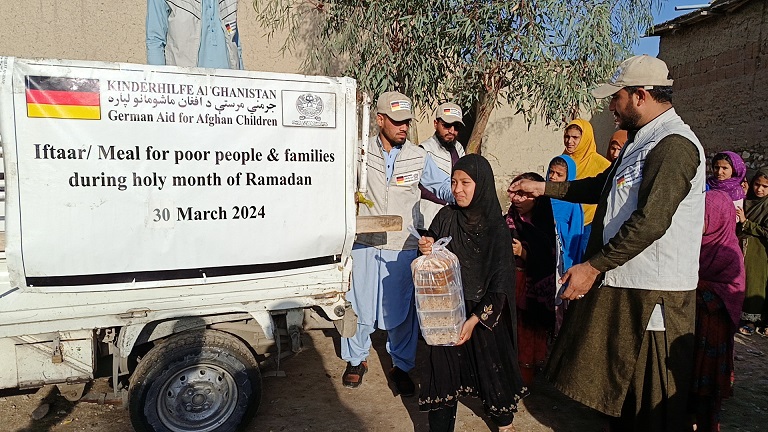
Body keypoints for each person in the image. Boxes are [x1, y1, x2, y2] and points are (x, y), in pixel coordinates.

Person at [510, 54, 706, 431]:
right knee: (622, 389)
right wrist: (544, 188)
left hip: (655, 293)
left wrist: (592, 266)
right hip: (628, 282)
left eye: (616, 97)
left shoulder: (674, 145)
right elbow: (601, 188)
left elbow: (651, 222)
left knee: (653, 400)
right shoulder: (641, 141)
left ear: (640, 96)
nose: (610, 106)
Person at [342, 91, 453, 395]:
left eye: (407, 122)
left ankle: (401, 365)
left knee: (402, 310)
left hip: (403, 245)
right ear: (380, 120)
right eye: (397, 122)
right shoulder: (359, 153)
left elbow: (441, 186)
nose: (404, 127)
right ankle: (356, 359)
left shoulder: (419, 156)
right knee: (358, 303)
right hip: (364, 242)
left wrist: (463, 190)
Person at [417, 154, 526, 432]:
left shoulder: (495, 227)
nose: (457, 189)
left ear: (483, 184)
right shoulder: (446, 216)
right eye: (453, 182)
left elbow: (501, 284)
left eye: (466, 182)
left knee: (493, 371)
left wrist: (475, 320)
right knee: (442, 372)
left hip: (485, 313)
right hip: (448, 311)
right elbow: (431, 241)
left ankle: (503, 422)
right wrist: (426, 245)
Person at [690, 190, 745, 432]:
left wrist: (697, 286)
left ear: (719, 217)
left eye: (704, 216)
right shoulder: (692, 246)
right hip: (691, 323)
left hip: (713, 331)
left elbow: (734, 290)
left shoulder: (728, 252)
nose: (697, 221)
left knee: (707, 386)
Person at [506, 173, 556, 387]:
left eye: (523, 195)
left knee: (528, 331)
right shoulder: (507, 221)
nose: (516, 200)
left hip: (532, 290)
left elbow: (549, 256)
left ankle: (525, 378)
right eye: (514, 193)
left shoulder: (544, 224)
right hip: (511, 285)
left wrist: (524, 253)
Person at [146, 0, 243, 69]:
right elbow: (155, 40)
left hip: (228, 87)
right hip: (184, 85)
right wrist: (159, 83)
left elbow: (235, 42)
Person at [561, 118, 611, 252]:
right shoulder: (562, 161)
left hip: (588, 225)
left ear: (585, 139)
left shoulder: (602, 164)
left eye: (575, 137)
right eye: (567, 136)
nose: (569, 142)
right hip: (564, 223)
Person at [547, 156, 584, 333]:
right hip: (544, 253)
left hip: (562, 258)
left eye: (559, 174)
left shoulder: (572, 203)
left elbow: (574, 235)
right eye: (551, 172)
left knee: (559, 295)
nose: (553, 177)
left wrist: (569, 263)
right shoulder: (543, 198)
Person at [419, 102, 466, 228]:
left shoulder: (458, 148)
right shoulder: (424, 150)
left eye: (456, 127)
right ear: (436, 124)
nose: (451, 131)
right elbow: (420, 187)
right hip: (429, 220)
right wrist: (447, 201)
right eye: (446, 125)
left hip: (453, 219)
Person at [737, 168, 768, 336]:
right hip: (743, 246)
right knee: (745, 281)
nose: (760, 189)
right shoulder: (747, 200)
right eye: (757, 184)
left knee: (757, 283)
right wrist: (741, 197)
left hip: (760, 251)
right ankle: (743, 317)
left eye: (765, 186)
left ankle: (753, 320)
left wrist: (747, 223)